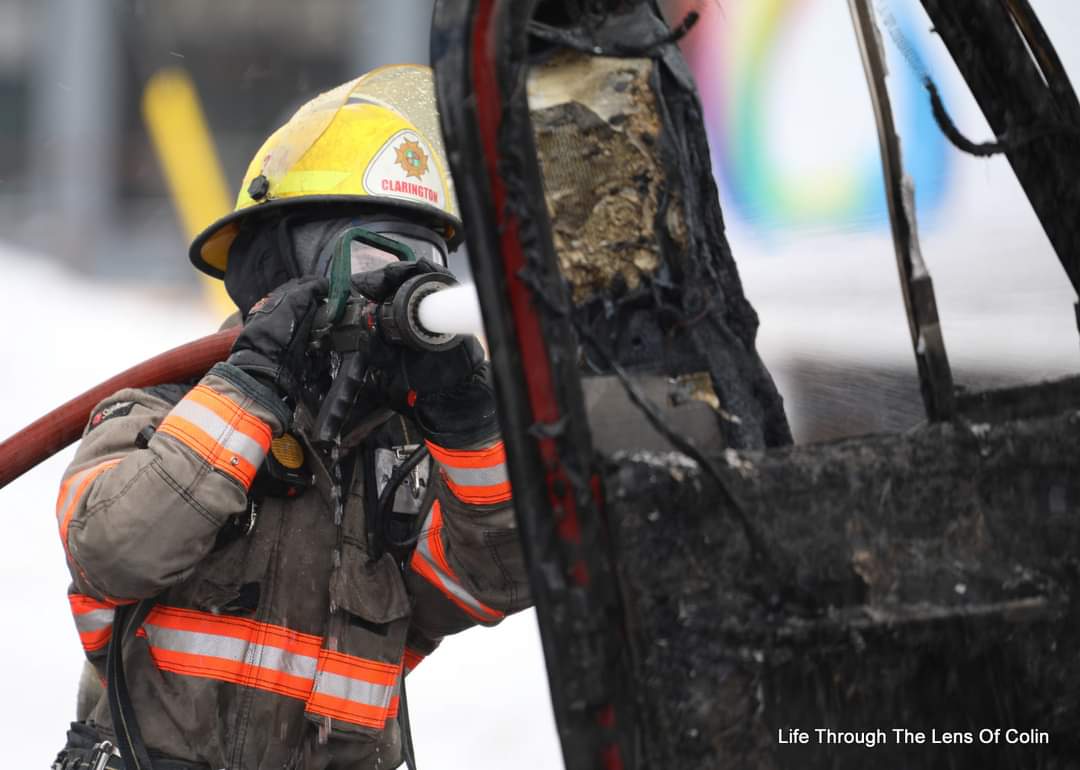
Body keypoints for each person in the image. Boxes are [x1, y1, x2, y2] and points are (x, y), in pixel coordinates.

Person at [53, 64, 528, 770]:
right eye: (369, 256)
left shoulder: (402, 470)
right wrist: (254, 384)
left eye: (421, 262)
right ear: (278, 268)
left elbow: (503, 574)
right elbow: (115, 549)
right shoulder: (158, 413)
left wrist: (469, 421)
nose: (395, 286)